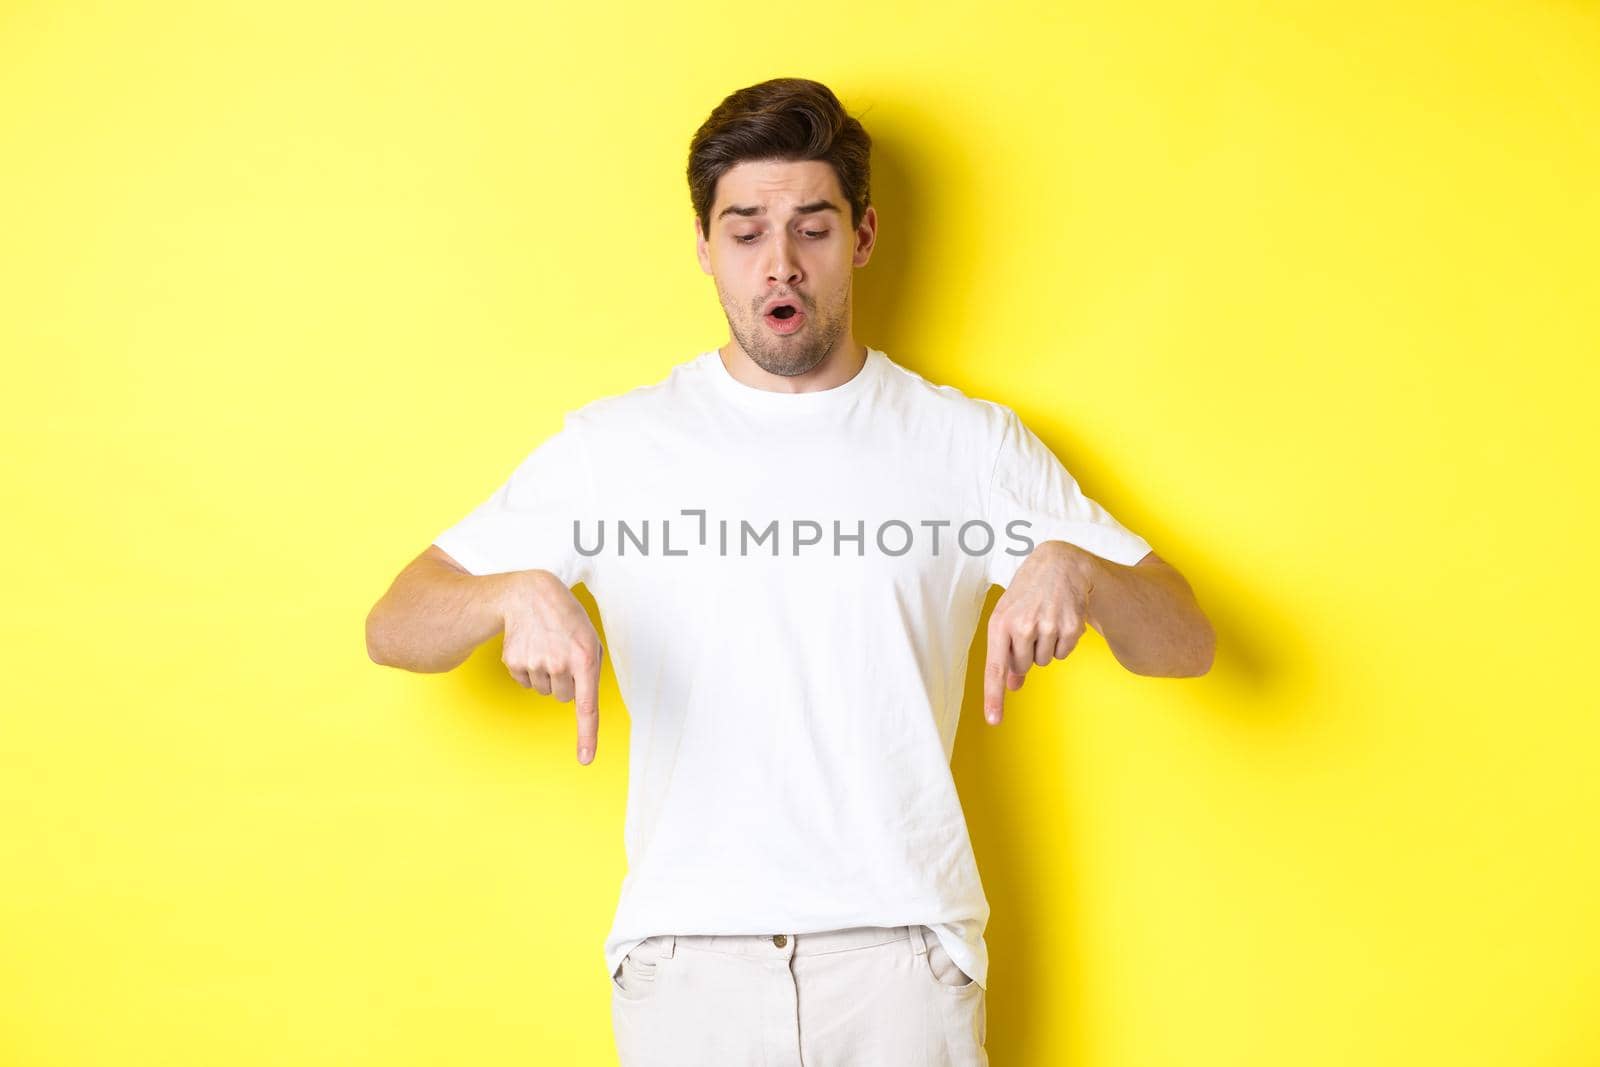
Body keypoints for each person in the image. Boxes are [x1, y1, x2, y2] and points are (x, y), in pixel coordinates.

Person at [365, 76, 1215, 1067]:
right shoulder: (615, 447)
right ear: (702, 246)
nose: (780, 263)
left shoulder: (966, 443)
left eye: (812, 228)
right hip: (687, 966)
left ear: (860, 236)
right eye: (745, 230)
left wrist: (1082, 570)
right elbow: (396, 622)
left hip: (901, 961)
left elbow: (1187, 641)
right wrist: (509, 591)